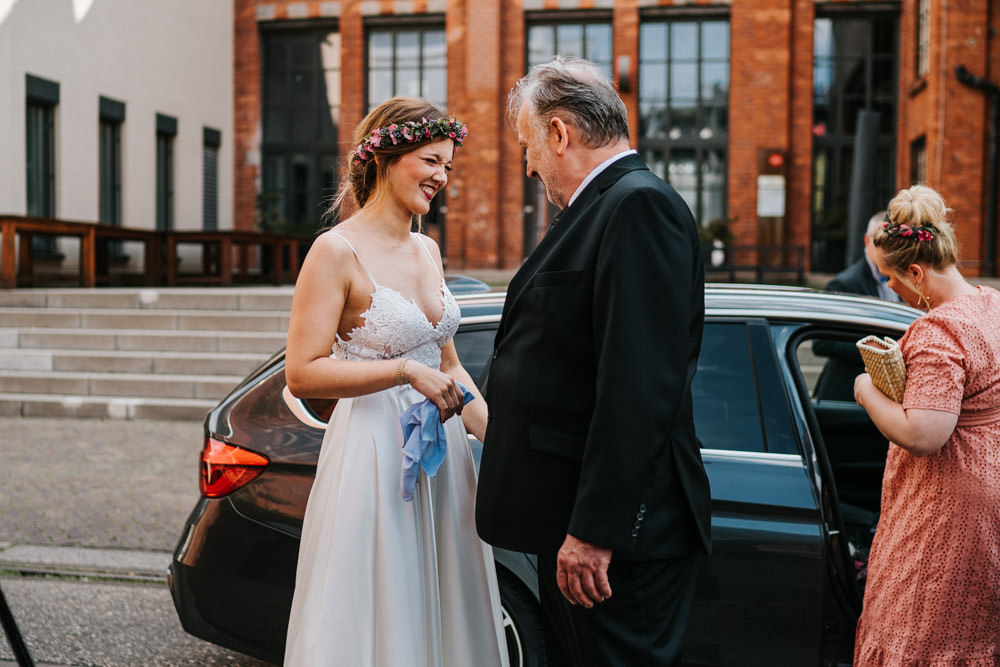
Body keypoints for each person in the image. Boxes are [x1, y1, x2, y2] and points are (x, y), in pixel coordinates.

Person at [476, 56, 711, 666]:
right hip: (576, 525)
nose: (529, 165)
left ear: (559, 133)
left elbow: (638, 386)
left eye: (529, 145)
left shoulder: (637, 207)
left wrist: (595, 531)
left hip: (618, 545)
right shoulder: (601, 207)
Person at [282, 96, 508, 667]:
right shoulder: (335, 251)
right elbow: (303, 371)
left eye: (448, 167)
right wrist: (404, 370)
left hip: (444, 462)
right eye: (431, 160)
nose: (441, 177)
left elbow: (451, 366)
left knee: (446, 608)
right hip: (374, 457)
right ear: (385, 157)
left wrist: (500, 443)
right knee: (378, 611)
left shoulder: (428, 249)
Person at [853, 184, 1000, 665]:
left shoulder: (938, 330)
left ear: (916, 271)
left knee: (917, 629)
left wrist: (864, 388)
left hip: (946, 512)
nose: (891, 287)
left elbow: (923, 434)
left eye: (892, 278)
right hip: (987, 497)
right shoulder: (990, 304)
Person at [813, 212, 902, 401]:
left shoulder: (902, 279)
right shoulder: (845, 284)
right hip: (847, 391)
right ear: (866, 240)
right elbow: (822, 342)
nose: (885, 249)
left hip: (887, 394)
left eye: (891, 243)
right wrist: (875, 353)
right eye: (879, 241)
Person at [827, 211, 902, 301]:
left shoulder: (904, 277)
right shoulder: (844, 286)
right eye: (880, 240)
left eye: (893, 241)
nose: (888, 247)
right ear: (867, 240)